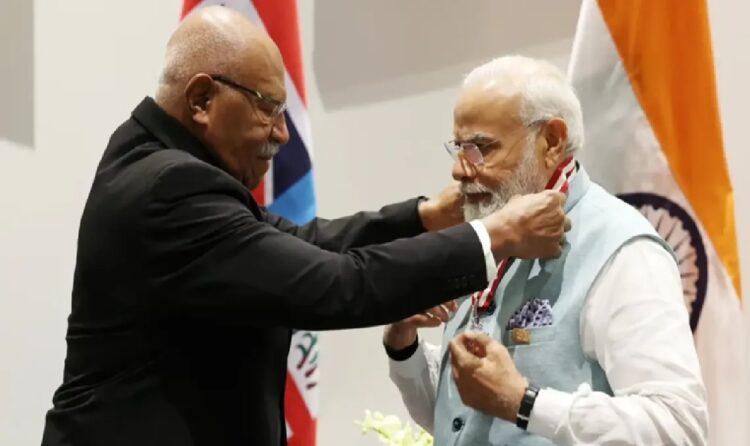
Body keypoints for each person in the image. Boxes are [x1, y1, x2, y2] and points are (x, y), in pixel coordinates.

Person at [41, 8, 569, 446]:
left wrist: (425, 216)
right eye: (269, 108)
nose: (281, 135)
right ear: (202, 100)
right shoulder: (169, 188)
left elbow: (302, 242)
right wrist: (493, 236)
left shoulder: (151, 158)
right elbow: (336, 284)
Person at [384, 55, 708, 445]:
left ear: (552, 141)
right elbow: (461, 420)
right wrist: (404, 348)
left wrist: (525, 402)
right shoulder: (493, 230)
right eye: (458, 147)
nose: (459, 170)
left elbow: (677, 426)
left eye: (480, 148)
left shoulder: (622, 249)